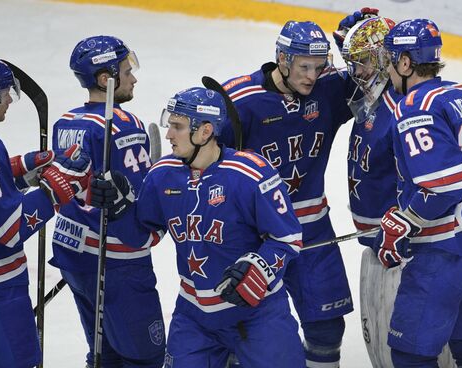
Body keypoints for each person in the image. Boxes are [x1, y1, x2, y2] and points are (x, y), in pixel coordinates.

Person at [88, 87, 306, 367]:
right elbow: (143, 237)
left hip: (257, 315)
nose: (168, 135)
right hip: (195, 317)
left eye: (177, 127)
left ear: (205, 132)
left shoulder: (251, 174)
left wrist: (260, 267)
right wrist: (119, 210)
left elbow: (287, 238)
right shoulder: (162, 175)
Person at [218, 20, 357, 367]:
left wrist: (356, 42)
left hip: (311, 227)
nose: (312, 76)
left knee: (327, 327)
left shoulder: (329, 89)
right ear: (282, 59)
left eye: (318, 66)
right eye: (303, 66)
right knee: (243, 331)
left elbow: (376, 82)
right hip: (256, 235)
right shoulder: (239, 100)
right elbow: (199, 158)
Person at [375, 19, 462, 367]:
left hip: (445, 252)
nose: (387, 69)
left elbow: (444, 183)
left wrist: (407, 218)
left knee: (410, 354)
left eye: (389, 60)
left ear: (405, 63)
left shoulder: (414, 106)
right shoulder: (461, 93)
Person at [0, 54, 91, 367]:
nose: (9, 100)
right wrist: (58, 186)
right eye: (4, 94)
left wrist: (24, 167)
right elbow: (9, 228)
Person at [49, 35, 166, 368]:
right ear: (106, 79)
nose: (134, 78)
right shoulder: (123, 125)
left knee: (104, 353)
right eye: (127, 71)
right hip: (116, 261)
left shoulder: (65, 123)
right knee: (145, 357)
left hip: (73, 251)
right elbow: (141, 202)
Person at [334, 11, 404, 368]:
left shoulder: (403, 110)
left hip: (402, 255)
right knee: (378, 354)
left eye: (362, 62)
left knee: (404, 354)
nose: (355, 72)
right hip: (372, 248)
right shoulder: (372, 99)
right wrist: (350, 38)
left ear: (385, 58)